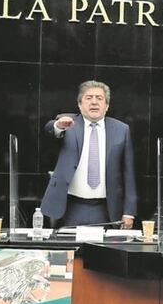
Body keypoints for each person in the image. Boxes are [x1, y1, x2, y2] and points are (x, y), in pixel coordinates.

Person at [41, 80, 136, 228]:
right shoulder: (68, 122)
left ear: (107, 106)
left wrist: (129, 212)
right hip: (71, 206)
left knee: (104, 251)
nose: (94, 102)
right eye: (88, 97)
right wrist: (58, 126)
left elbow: (128, 173)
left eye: (99, 98)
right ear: (79, 104)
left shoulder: (121, 130)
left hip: (107, 208)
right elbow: (50, 128)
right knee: (70, 250)